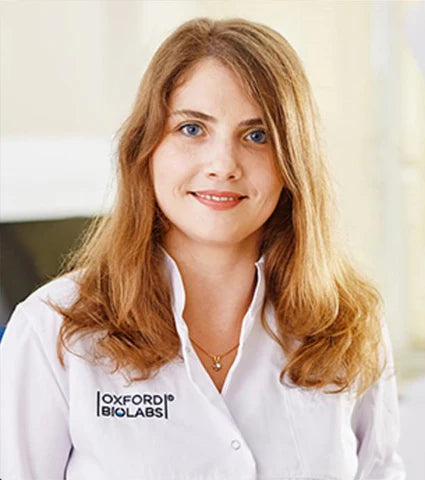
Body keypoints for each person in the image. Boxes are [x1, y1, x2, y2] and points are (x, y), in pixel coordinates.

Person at [0, 16, 406, 480]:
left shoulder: (350, 325)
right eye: (192, 129)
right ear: (145, 148)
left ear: (293, 160)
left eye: (257, 135)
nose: (223, 164)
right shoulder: (53, 331)